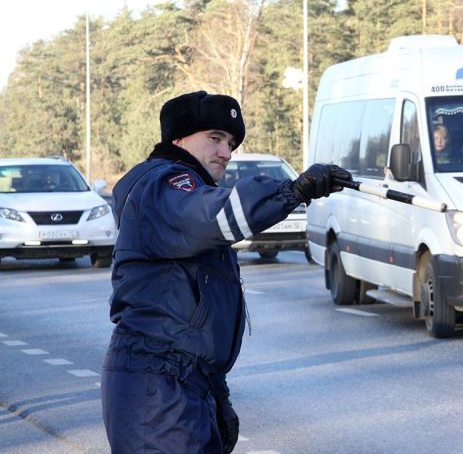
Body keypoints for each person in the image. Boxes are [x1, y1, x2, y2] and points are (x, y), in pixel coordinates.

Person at [101, 90, 352, 454]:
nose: (226, 153)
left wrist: (217, 393)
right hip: (156, 387)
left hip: (183, 383)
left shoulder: (185, 184)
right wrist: (293, 190)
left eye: (231, 143)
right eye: (215, 138)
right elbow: (208, 217)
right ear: (178, 138)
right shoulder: (166, 184)